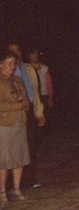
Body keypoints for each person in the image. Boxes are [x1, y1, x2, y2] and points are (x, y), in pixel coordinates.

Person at [7, 42, 45, 190]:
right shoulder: (6, 70)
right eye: (12, 51)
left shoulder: (28, 69)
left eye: (18, 51)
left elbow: (35, 92)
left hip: (29, 110)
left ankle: (29, 180)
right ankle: (12, 183)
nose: (16, 54)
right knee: (13, 148)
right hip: (13, 112)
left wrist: (39, 112)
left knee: (31, 146)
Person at [0, 51, 31, 209]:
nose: (12, 67)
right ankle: (2, 192)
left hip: (20, 122)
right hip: (5, 124)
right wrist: (18, 105)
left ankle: (16, 189)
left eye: (14, 64)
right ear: (1, 64)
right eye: (9, 63)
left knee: (19, 155)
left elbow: (26, 98)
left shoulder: (18, 80)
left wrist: (25, 102)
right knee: (4, 159)